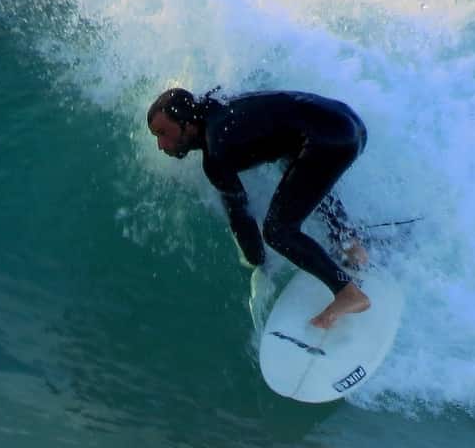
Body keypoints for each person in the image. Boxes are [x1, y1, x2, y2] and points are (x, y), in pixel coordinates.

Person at [146, 87, 371, 329]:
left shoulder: (216, 150)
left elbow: (240, 216)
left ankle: (348, 293)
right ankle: (350, 244)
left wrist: (258, 262)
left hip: (331, 139)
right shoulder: (218, 107)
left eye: (163, 133)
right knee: (295, 164)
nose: (160, 145)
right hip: (349, 123)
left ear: (188, 124)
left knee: (277, 231)